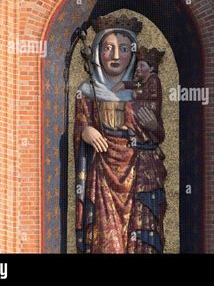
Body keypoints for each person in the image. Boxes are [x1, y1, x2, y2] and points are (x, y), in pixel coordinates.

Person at [73, 15, 166, 253]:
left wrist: (154, 127)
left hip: (139, 172)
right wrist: (85, 131)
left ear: (133, 55)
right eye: (108, 48)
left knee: (142, 234)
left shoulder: (143, 93)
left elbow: (158, 135)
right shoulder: (87, 91)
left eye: (123, 49)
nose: (115, 56)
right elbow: (81, 123)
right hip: (103, 171)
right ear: (96, 52)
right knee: (107, 241)